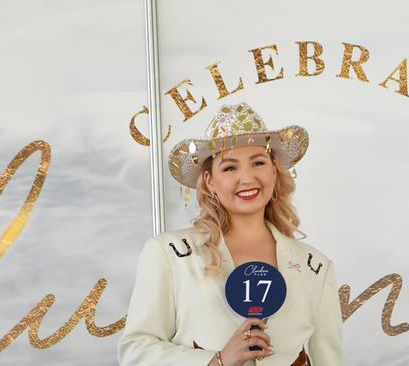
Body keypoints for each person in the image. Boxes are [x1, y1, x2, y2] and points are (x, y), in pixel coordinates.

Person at [118, 102, 344, 365]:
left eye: (257, 163)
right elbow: (136, 351)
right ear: (210, 181)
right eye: (230, 168)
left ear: (273, 169)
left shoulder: (316, 268)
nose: (247, 179)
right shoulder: (169, 254)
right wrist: (218, 361)